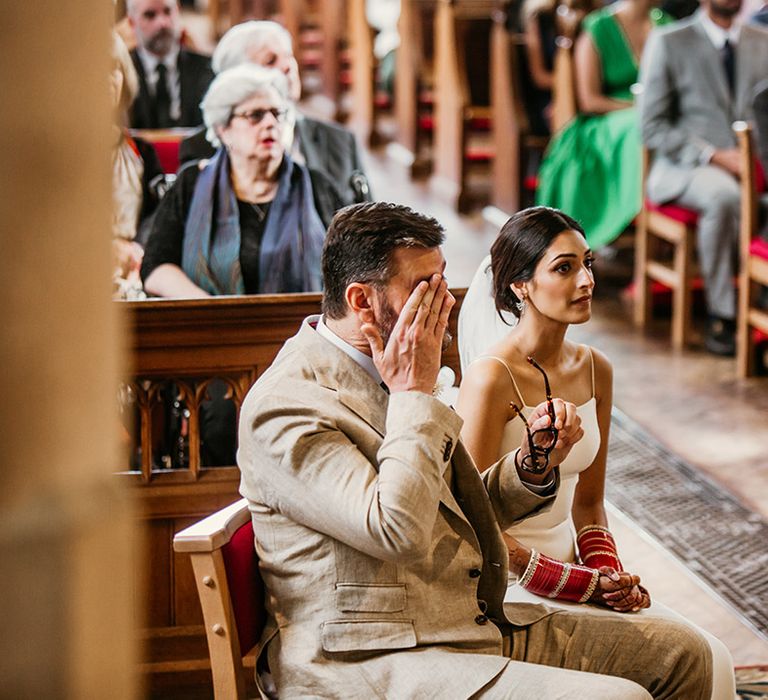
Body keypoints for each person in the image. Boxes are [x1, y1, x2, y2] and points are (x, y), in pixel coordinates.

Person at [236, 200, 712, 699]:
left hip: (463, 623)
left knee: (681, 653)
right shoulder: (288, 404)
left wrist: (532, 466)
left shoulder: (389, 369)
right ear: (361, 301)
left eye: (443, 280)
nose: (447, 301)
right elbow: (397, 529)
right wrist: (414, 396)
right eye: (425, 287)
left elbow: (452, 510)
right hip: (374, 657)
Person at [456, 207, 735, 699]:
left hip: (577, 569)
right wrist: (574, 584)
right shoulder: (490, 377)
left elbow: (589, 504)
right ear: (521, 285)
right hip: (511, 584)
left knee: (715, 657)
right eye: (564, 268)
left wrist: (609, 574)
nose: (586, 280)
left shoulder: (595, 369)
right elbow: (474, 524)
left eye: (587, 263)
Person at [141, 64, 343, 298]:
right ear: (223, 130)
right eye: (255, 116)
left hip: (301, 329)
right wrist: (212, 311)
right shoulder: (192, 183)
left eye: (277, 114)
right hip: (210, 328)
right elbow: (155, 266)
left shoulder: (317, 186)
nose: (270, 123)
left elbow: (353, 269)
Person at [639, 0, 768, 355]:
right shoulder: (669, 41)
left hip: (753, 163)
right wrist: (711, 155)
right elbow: (651, 126)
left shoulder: (762, 39)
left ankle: (759, 307)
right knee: (724, 196)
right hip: (686, 167)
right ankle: (722, 314)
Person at [178, 20, 372, 205]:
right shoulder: (199, 150)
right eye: (271, 61)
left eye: (289, 56)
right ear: (234, 81)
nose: (288, 66)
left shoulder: (340, 141)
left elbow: (375, 226)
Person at [536, 0, 671, 250]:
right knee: (639, 128)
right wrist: (640, 110)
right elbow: (590, 100)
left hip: (658, 114)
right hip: (604, 121)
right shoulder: (598, 26)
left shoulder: (666, 24)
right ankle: (636, 216)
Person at [110, 31, 163, 299]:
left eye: (113, 69)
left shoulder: (141, 152)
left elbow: (157, 215)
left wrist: (137, 246)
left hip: (132, 274)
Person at [126, 0, 214, 128]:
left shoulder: (208, 68)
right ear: (131, 23)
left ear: (177, 11)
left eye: (168, 12)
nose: (163, 23)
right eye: (150, 15)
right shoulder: (119, 72)